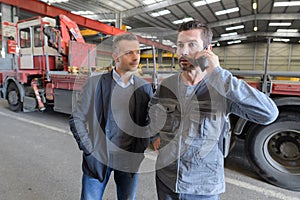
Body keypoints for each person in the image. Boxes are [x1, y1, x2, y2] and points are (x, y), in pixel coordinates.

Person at [149, 20, 279, 200]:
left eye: (192, 45)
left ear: (207, 49)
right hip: (166, 180)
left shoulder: (222, 88)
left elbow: (268, 114)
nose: (183, 52)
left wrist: (219, 74)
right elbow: (154, 108)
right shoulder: (169, 85)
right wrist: (154, 135)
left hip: (202, 187)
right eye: (180, 45)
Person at [69, 33, 153, 200]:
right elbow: (77, 118)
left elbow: (148, 122)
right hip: (99, 157)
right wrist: (89, 149)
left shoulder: (144, 88)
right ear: (115, 56)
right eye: (129, 52)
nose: (136, 57)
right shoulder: (95, 84)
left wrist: (141, 148)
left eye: (138, 52)